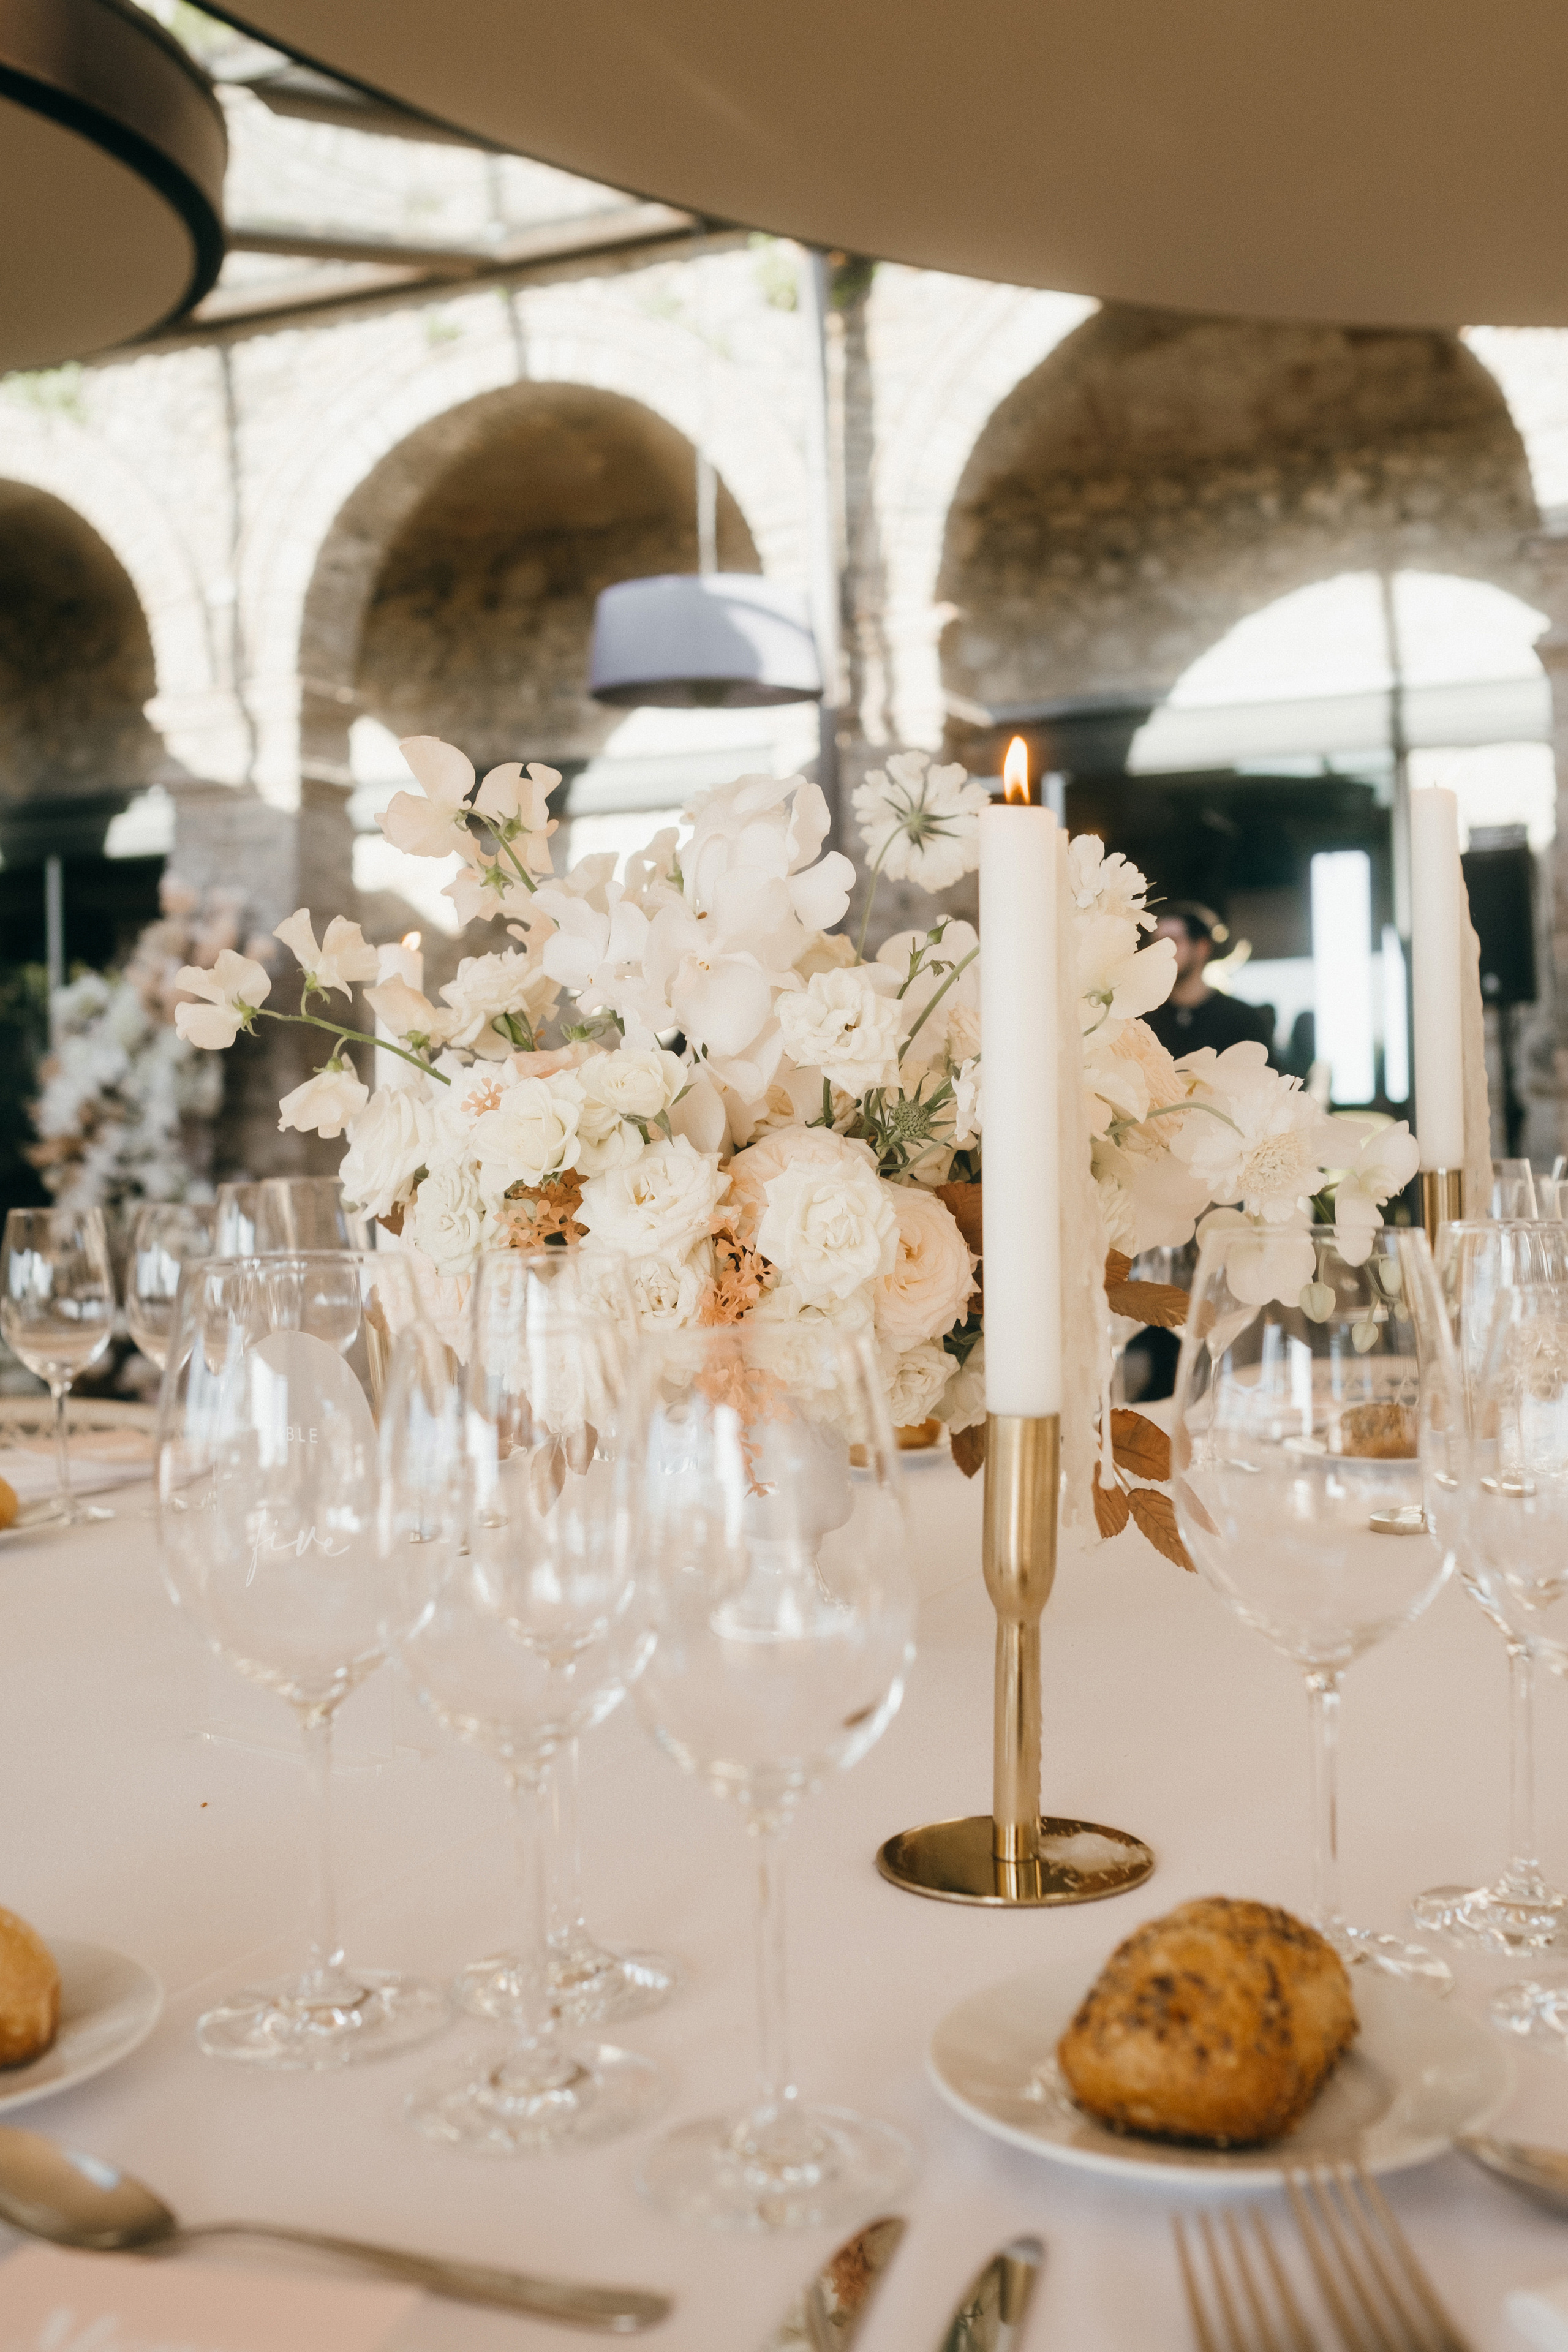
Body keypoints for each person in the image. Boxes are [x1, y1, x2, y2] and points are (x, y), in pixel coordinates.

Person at [1145, 904, 1276, 1063]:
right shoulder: (1144, 1020)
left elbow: (1266, 1080)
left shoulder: (1241, 1018)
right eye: (1156, 943)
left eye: (1172, 942)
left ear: (1202, 947)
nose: (1160, 951)